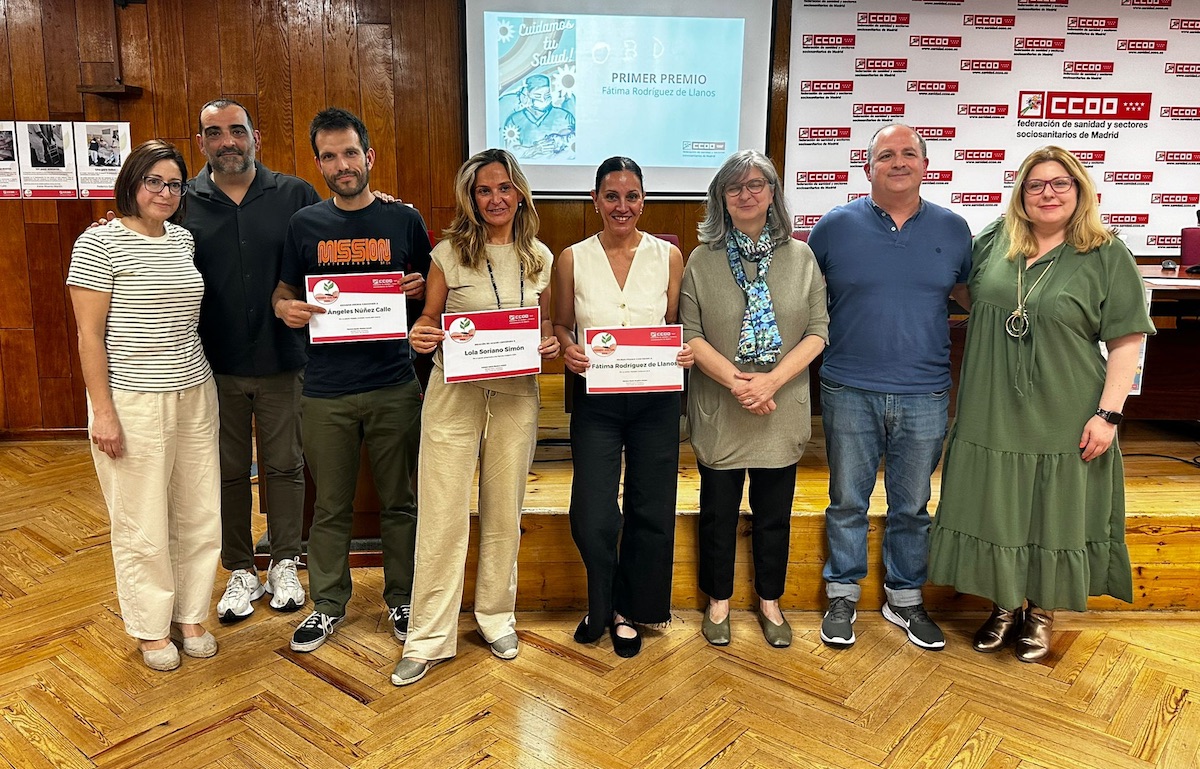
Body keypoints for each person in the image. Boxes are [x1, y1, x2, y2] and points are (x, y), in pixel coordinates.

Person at [928, 146, 1154, 662]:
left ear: (1080, 191)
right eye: (1036, 185)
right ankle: (1004, 606)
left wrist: (1109, 414)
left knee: (1054, 511)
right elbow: (965, 289)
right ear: (1021, 194)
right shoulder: (992, 242)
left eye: (1060, 184)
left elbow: (1127, 342)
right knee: (996, 505)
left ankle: (1042, 611)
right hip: (991, 403)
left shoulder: (1105, 253)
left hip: (1066, 405)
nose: (1047, 193)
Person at [392, 148, 559, 685]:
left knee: (504, 507)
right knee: (441, 510)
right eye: (485, 190)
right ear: (471, 197)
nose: (496, 199)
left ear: (520, 194)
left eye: (505, 188)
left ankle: (495, 616)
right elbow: (428, 322)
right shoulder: (447, 254)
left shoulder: (540, 257)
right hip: (453, 394)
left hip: (515, 394)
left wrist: (550, 344)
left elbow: (547, 327)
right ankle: (428, 636)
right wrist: (420, 335)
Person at [807, 123, 971, 652]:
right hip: (848, 386)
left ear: (926, 165)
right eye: (885, 155)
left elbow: (974, 300)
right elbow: (806, 301)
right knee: (847, 500)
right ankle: (842, 593)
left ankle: (904, 598)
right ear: (868, 167)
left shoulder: (955, 229)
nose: (897, 162)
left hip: (925, 392)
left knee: (913, 505)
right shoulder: (834, 227)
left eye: (908, 154)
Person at [272, 108, 429, 653]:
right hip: (325, 390)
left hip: (393, 384)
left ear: (369, 156)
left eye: (351, 153)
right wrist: (286, 309)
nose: (343, 164)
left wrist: (417, 288)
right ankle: (329, 604)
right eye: (331, 156)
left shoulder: (404, 221)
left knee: (400, 502)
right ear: (319, 163)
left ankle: (404, 597)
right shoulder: (304, 225)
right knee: (331, 507)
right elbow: (284, 292)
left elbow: (434, 291)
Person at [67, 139, 220, 671]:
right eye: (154, 180)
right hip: (132, 397)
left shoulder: (182, 240)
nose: (165, 192)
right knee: (141, 519)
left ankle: (190, 614)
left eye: (174, 183)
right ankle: (151, 627)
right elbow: (90, 337)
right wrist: (102, 412)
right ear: (131, 182)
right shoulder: (98, 243)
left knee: (199, 511)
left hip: (195, 390)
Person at [680, 150, 828, 649]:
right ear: (720, 198)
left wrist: (770, 383)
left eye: (756, 185)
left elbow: (817, 331)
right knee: (718, 512)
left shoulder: (801, 257)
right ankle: (717, 600)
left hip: (779, 409)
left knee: (774, 513)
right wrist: (741, 384)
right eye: (734, 187)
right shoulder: (702, 260)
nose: (746, 194)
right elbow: (691, 334)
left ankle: (770, 600)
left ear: (772, 193)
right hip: (723, 406)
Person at [551, 157, 694, 658]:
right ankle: (601, 602)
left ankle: (632, 609)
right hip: (597, 399)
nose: (622, 206)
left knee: (650, 505)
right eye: (611, 196)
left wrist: (681, 350)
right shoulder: (572, 257)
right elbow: (563, 325)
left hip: (656, 399)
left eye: (632, 196)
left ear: (643, 201)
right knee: (592, 510)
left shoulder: (668, 257)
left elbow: (673, 324)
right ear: (594, 201)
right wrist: (568, 347)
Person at [186, 99, 321, 624]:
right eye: (214, 133)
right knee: (224, 471)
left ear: (255, 136)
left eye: (236, 131)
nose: (227, 141)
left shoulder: (294, 194)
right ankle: (240, 568)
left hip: (283, 359)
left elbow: (330, 245)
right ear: (202, 143)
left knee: (285, 465)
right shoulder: (184, 200)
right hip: (210, 364)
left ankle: (285, 560)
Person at [502, 74, 575, 159]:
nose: (543, 100)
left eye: (547, 95)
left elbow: (575, 146)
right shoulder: (514, 119)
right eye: (537, 96)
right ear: (527, 95)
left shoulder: (565, 116)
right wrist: (535, 149)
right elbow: (510, 152)